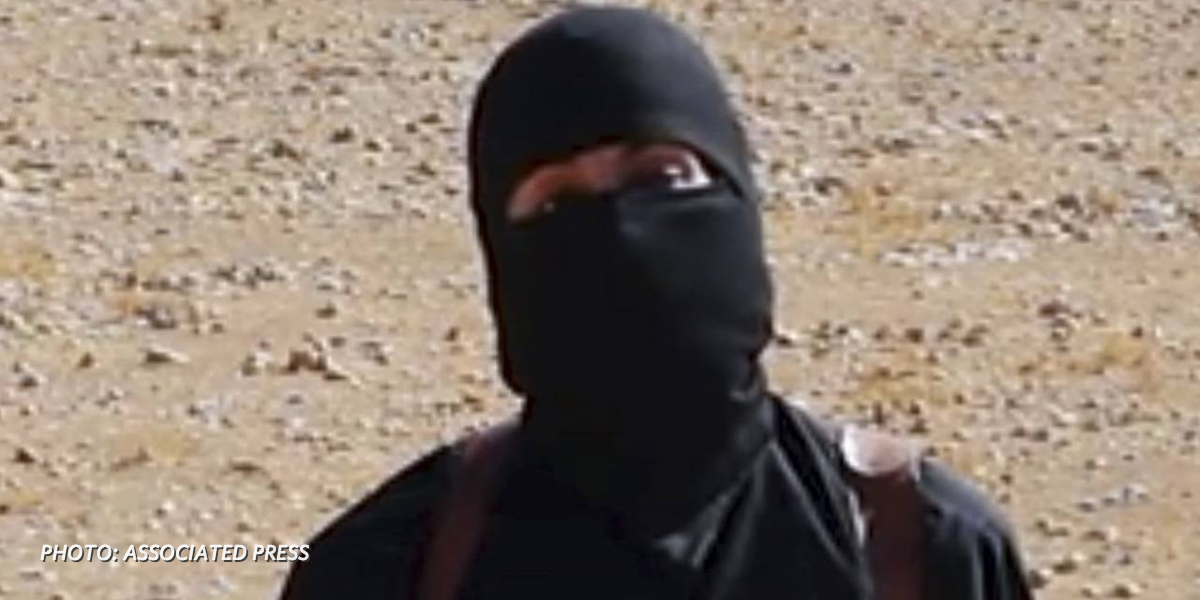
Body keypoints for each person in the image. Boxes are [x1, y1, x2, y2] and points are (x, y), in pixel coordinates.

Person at [280, 6, 1033, 600]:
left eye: (662, 178)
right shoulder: (390, 566)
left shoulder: (924, 551)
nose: (621, 232)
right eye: (557, 201)